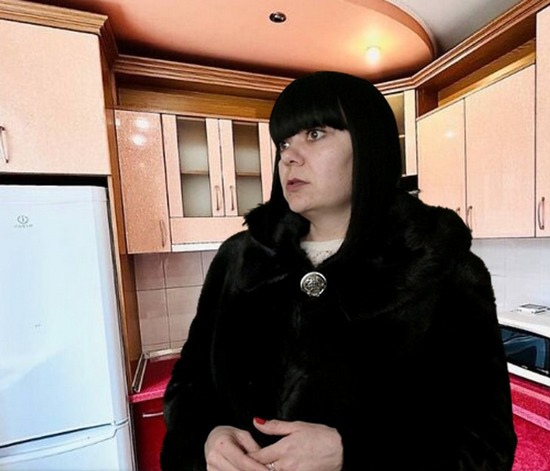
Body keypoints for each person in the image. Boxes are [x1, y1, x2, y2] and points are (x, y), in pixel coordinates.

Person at [160, 71, 517, 471]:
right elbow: (190, 386)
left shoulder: (441, 269)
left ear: (369, 145)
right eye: (283, 143)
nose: (289, 157)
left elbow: (485, 447)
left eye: (314, 134)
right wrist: (206, 438)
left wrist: (354, 452)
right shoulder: (240, 260)